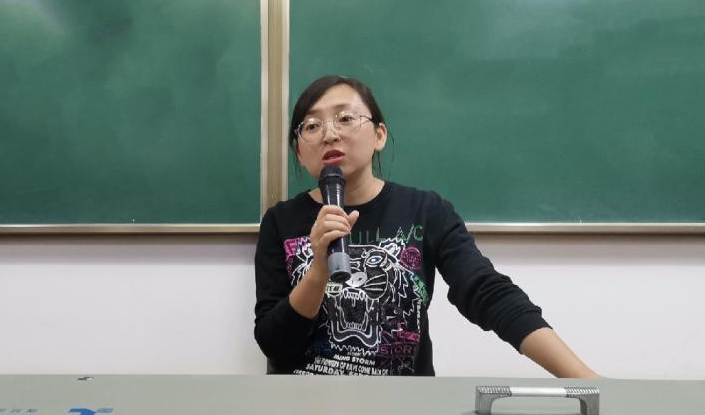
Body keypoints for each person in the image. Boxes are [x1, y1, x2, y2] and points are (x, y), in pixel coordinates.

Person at [254, 75, 599, 378]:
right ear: (299, 152)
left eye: (345, 118)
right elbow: (274, 344)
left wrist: (584, 379)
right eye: (312, 126)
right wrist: (318, 272)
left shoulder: (425, 211)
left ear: (379, 135)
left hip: (403, 412)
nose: (329, 134)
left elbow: (487, 292)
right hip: (304, 410)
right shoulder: (280, 221)